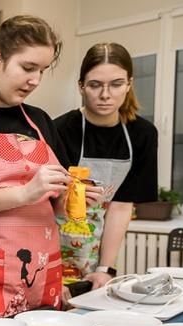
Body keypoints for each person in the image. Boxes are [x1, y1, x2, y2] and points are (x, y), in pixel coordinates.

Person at [0, 16, 103, 326]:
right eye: (28, 67)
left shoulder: (40, 121)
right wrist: (24, 193)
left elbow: (51, 203)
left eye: (42, 70)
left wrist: (70, 198)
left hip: (42, 272)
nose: (35, 80)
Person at [55, 43, 158, 294]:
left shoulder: (142, 135)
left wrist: (105, 268)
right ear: (81, 86)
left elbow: (121, 206)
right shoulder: (60, 129)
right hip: (52, 244)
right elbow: (47, 204)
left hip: (100, 248)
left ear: (129, 84)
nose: (105, 95)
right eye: (94, 85)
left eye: (116, 84)